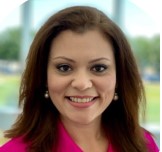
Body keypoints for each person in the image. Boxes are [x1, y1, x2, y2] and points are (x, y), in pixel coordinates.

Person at [0, 6, 159, 152]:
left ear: (120, 77)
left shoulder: (145, 144)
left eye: (98, 68)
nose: (82, 84)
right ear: (43, 77)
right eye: (64, 68)